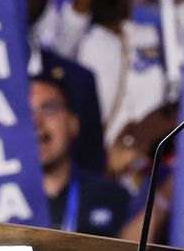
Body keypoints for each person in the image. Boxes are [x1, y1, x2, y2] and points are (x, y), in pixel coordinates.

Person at [31, 75, 130, 237]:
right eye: (26, 112)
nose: (36, 122)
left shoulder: (113, 197)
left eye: (48, 108)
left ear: (73, 123)